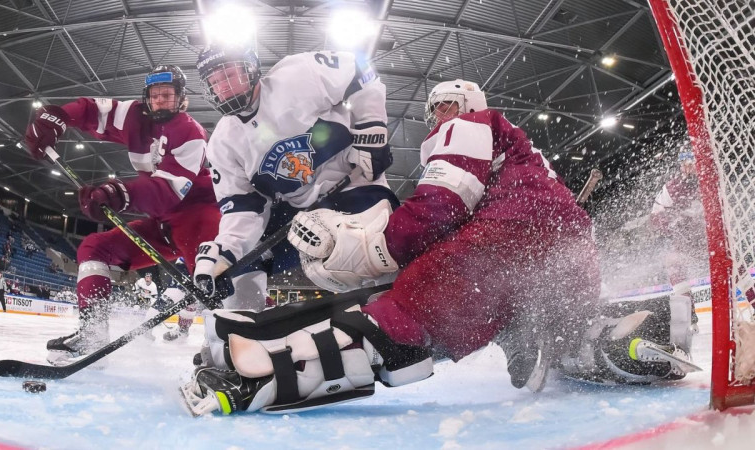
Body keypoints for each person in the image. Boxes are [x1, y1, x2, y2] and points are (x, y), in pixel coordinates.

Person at [179, 79, 699, 415]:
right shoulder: (514, 150)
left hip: (508, 243)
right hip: (561, 254)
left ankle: (258, 377)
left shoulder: (474, 124)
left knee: (401, 322)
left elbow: (440, 206)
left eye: (447, 105)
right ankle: (643, 328)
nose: (438, 116)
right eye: (434, 109)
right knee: (561, 334)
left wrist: (377, 247)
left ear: (471, 104)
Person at [23, 65, 221, 365]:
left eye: (167, 95)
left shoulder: (191, 132)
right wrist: (56, 118)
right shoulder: (135, 115)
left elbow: (169, 191)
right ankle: (93, 332)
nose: (160, 100)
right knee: (93, 247)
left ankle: (225, 348)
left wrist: (118, 193)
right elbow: (93, 111)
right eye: (155, 95)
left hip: (198, 220)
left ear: (182, 99)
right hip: (163, 224)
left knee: (209, 282)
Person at [191, 43, 396, 312]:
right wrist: (227, 252)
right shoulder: (222, 144)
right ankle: (241, 329)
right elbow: (243, 208)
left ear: (251, 69)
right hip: (300, 212)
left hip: (354, 186)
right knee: (238, 263)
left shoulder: (296, 75)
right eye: (215, 82)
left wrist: (371, 124)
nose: (224, 86)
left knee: (373, 249)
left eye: (230, 74)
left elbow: (359, 68)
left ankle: (389, 318)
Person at [649, 149, 703, 328]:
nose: (688, 168)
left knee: (731, 261)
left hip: (708, 236)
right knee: (674, 266)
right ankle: (691, 315)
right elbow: (655, 216)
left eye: (691, 163)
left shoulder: (709, 181)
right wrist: (674, 224)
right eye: (685, 164)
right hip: (684, 238)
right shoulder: (672, 187)